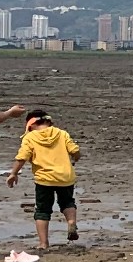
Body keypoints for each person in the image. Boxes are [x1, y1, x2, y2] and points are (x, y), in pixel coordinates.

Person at [6, 109, 81, 254]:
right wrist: (75, 158)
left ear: (31, 125)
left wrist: (13, 173)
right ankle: (71, 222)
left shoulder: (30, 138)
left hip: (44, 179)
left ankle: (43, 243)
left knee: (42, 210)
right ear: (48, 121)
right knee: (67, 202)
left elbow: (22, 157)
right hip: (65, 177)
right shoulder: (61, 133)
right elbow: (75, 150)